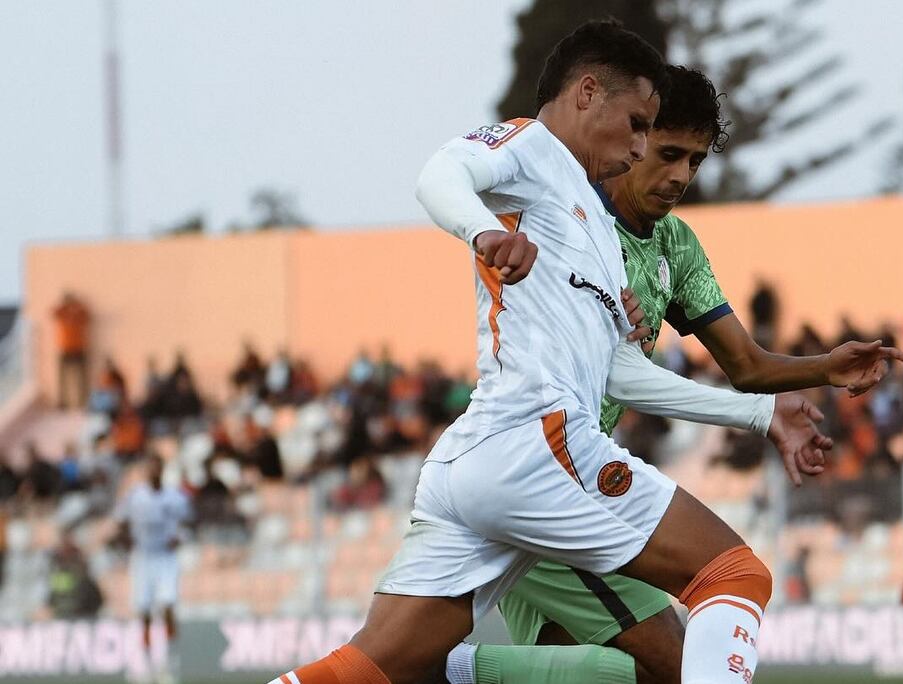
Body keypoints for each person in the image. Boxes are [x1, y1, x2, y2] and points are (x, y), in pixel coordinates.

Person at [271, 21, 831, 684]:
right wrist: (482, 232)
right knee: (734, 575)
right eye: (637, 124)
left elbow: (621, 374)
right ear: (587, 93)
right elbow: (440, 174)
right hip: (538, 442)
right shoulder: (534, 148)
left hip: (476, 461)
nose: (641, 146)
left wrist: (759, 414)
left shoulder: (597, 231)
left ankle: (451, 673)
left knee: (373, 670)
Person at [445, 64, 903, 684]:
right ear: (632, 138)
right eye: (668, 154)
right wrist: (762, 414)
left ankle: (446, 671)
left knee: (604, 675)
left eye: (695, 160)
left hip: (559, 469)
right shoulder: (571, 222)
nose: (682, 176)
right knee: (678, 658)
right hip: (547, 467)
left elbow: (745, 364)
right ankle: (442, 670)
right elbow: (613, 370)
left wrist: (823, 367)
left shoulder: (675, 246)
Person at [115, 456, 192, 683]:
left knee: (167, 605)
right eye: (150, 468)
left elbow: (189, 522)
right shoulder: (135, 496)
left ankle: (170, 662)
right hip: (143, 557)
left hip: (165, 557)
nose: (153, 472)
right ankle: (148, 664)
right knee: (144, 610)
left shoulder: (174, 497)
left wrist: (181, 537)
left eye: (157, 468)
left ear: (162, 470)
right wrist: (126, 540)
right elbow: (120, 521)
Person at [52, 292, 90, 410]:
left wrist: (76, 306)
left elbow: (87, 315)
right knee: (62, 378)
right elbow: (54, 312)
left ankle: (82, 401)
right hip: (65, 349)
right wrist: (65, 306)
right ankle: (63, 401)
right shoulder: (62, 313)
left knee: (81, 378)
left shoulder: (79, 313)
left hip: (79, 349)